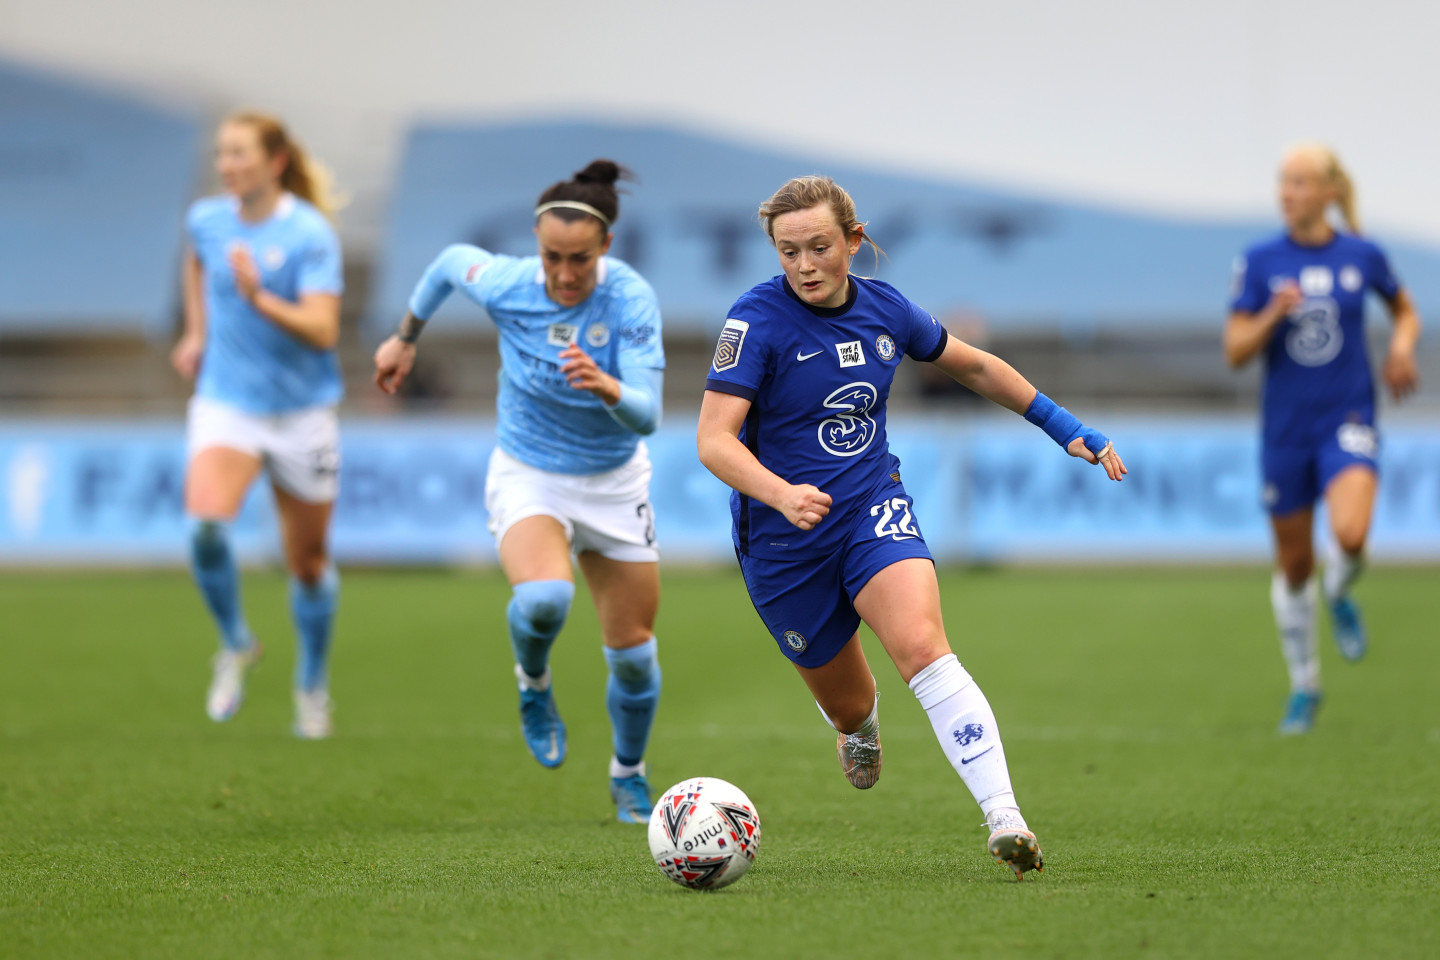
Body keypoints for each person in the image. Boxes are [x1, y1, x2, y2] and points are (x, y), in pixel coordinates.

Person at [696, 176, 1126, 879]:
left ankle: (1005, 817)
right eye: (788, 251)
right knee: (848, 700)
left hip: (871, 505)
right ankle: (859, 730)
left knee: (924, 646)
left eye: (819, 247)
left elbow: (976, 366)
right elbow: (714, 440)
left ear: (853, 243)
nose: (804, 265)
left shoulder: (887, 308)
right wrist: (779, 493)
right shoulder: (755, 322)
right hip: (783, 540)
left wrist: (1063, 426)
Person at [373, 160, 666, 823]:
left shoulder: (629, 299)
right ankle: (533, 682)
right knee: (542, 599)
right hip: (530, 470)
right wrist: (403, 339)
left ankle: (629, 773)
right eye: (553, 257)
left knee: (635, 657)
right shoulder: (508, 282)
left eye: (579, 261)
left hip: (616, 481)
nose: (565, 274)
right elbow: (449, 263)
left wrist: (609, 386)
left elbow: (648, 413)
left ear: (606, 249)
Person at [1225, 144, 1421, 735]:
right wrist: (1271, 316)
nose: (1288, 193)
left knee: (1352, 532)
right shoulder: (1260, 260)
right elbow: (1235, 352)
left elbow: (1405, 310)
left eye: (1301, 182)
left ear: (1330, 192)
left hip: (1349, 417)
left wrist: (1402, 347)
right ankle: (1306, 685)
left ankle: (1340, 589)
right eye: (1284, 182)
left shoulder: (1362, 254)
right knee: (1293, 565)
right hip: (1285, 432)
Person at [170, 112, 345, 739]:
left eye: (240, 153)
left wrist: (257, 298)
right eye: (222, 153)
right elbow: (195, 262)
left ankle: (312, 685)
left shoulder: (308, 234)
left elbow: (324, 329)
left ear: (274, 162)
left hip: (301, 414)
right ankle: (236, 642)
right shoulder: (207, 219)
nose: (227, 164)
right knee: (206, 528)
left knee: (307, 563)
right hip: (227, 403)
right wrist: (197, 332)